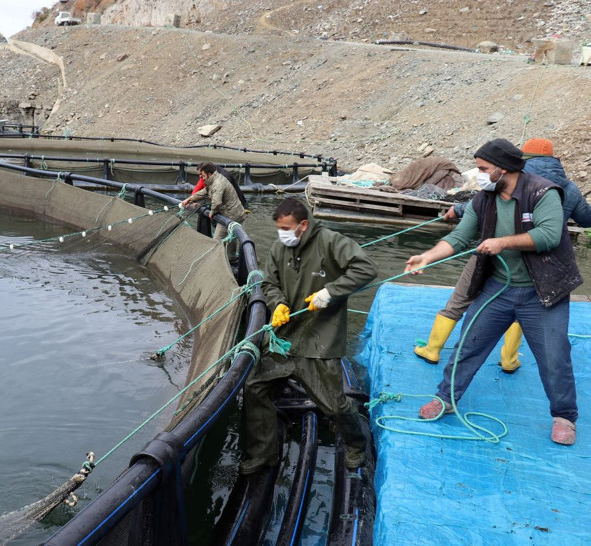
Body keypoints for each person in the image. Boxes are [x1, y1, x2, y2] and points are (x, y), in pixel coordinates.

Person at [405, 138, 582, 445]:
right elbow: (461, 236)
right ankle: (446, 399)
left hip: (543, 294)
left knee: (555, 356)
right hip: (498, 289)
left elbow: (551, 235)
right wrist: (428, 257)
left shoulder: (543, 192)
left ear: (503, 168)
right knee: (468, 345)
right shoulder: (484, 197)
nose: (479, 174)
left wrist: (504, 242)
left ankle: (564, 415)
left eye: (483, 168)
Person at [415, 138, 591, 373]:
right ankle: (509, 359)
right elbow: (586, 220)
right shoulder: (568, 189)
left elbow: (480, 207)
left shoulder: (511, 178)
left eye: (482, 169)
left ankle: (433, 349)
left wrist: (456, 209)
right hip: (540, 263)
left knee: (461, 299)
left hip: (492, 252)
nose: (481, 173)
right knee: (523, 308)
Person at [241, 198, 378, 473]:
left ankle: (356, 446)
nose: (282, 233)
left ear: (303, 225)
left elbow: (366, 269)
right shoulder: (280, 247)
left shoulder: (330, 241)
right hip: (284, 338)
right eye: (278, 227)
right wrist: (277, 302)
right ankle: (263, 453)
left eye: (286, 227)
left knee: (334, 404)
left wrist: (331, 292)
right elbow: (269, 282)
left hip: (320, 339)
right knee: (255, 387)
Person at [181, 162, 248, 251]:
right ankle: (231, 258)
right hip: (238, 212)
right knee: (233, 237)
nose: (201, 177)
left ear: (209, 174)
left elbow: (216, 202)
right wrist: (190, 199)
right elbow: (205, 191)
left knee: (216, 241)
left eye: (203, 175)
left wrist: (212, 212)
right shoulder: (215, 178)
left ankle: (216, 260)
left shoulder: (218, 184)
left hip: (230, 215)